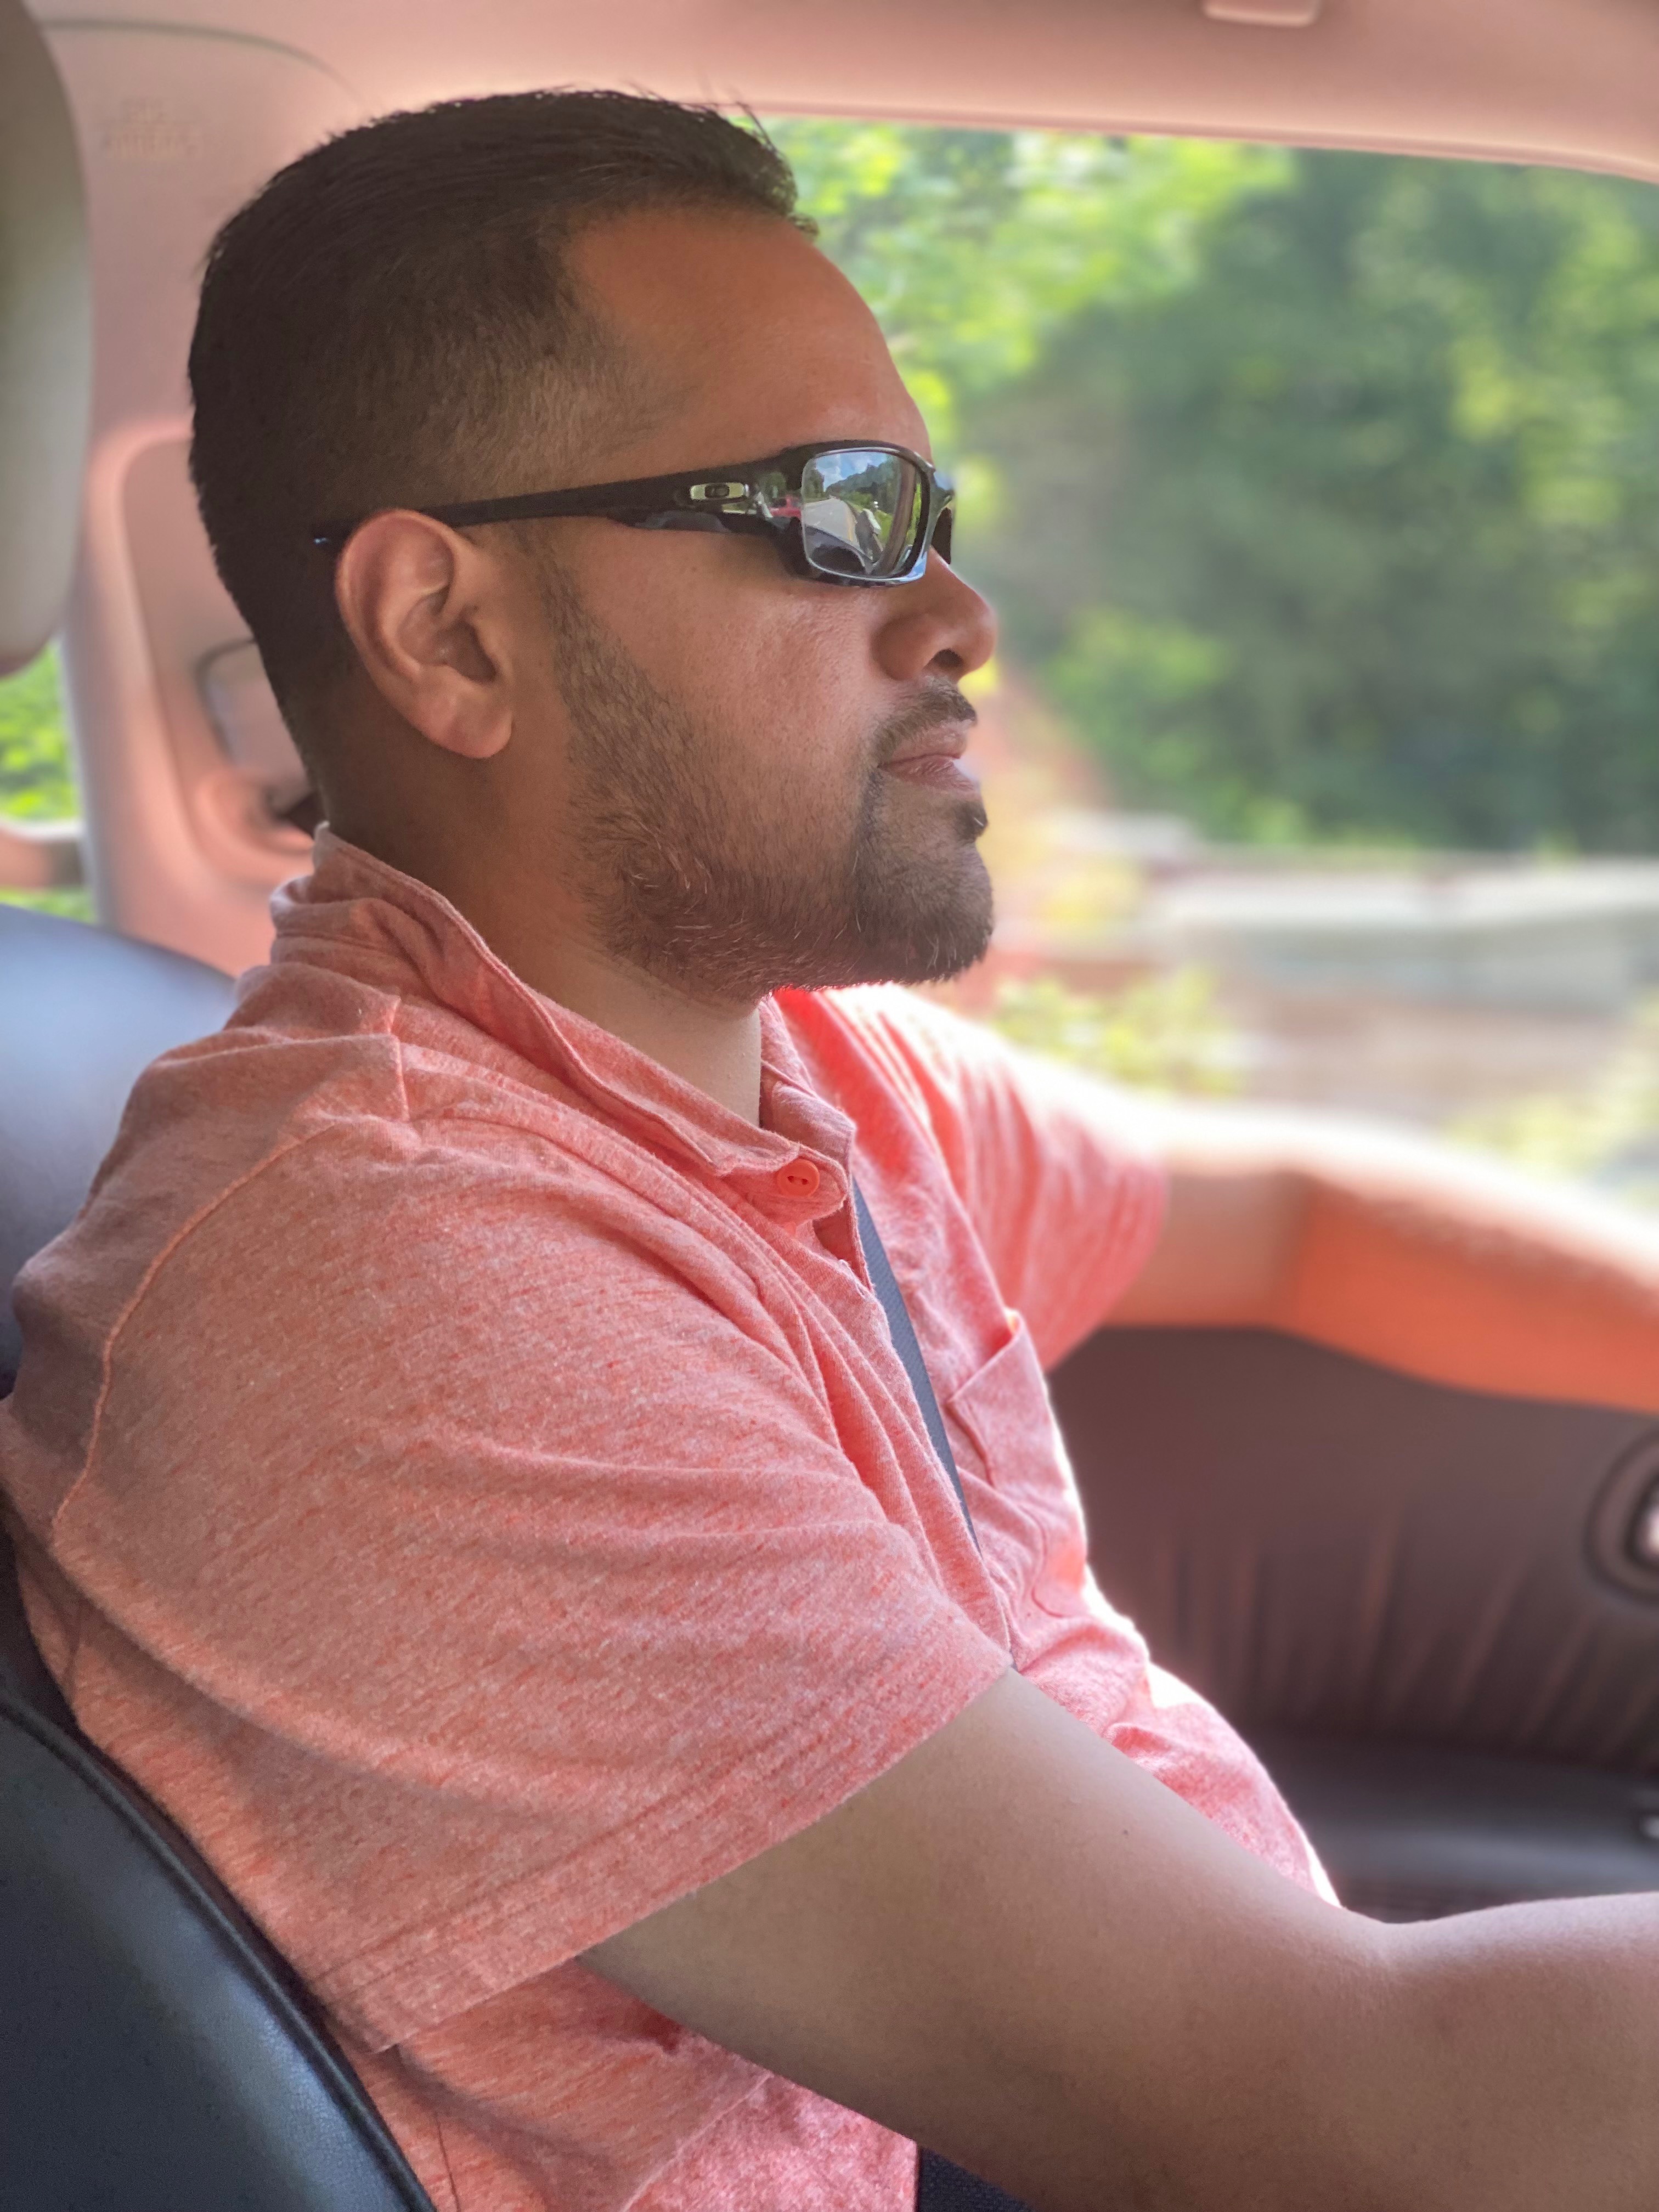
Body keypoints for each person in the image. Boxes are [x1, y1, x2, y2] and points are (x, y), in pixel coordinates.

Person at [5, 88, 1659, 2212]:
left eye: (931, 507)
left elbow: (1297, 1224)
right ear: (448, 633)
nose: (959, 611)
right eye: (838, 513)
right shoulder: (403, 1295)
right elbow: (1334, 2110)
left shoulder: (787, 1074)